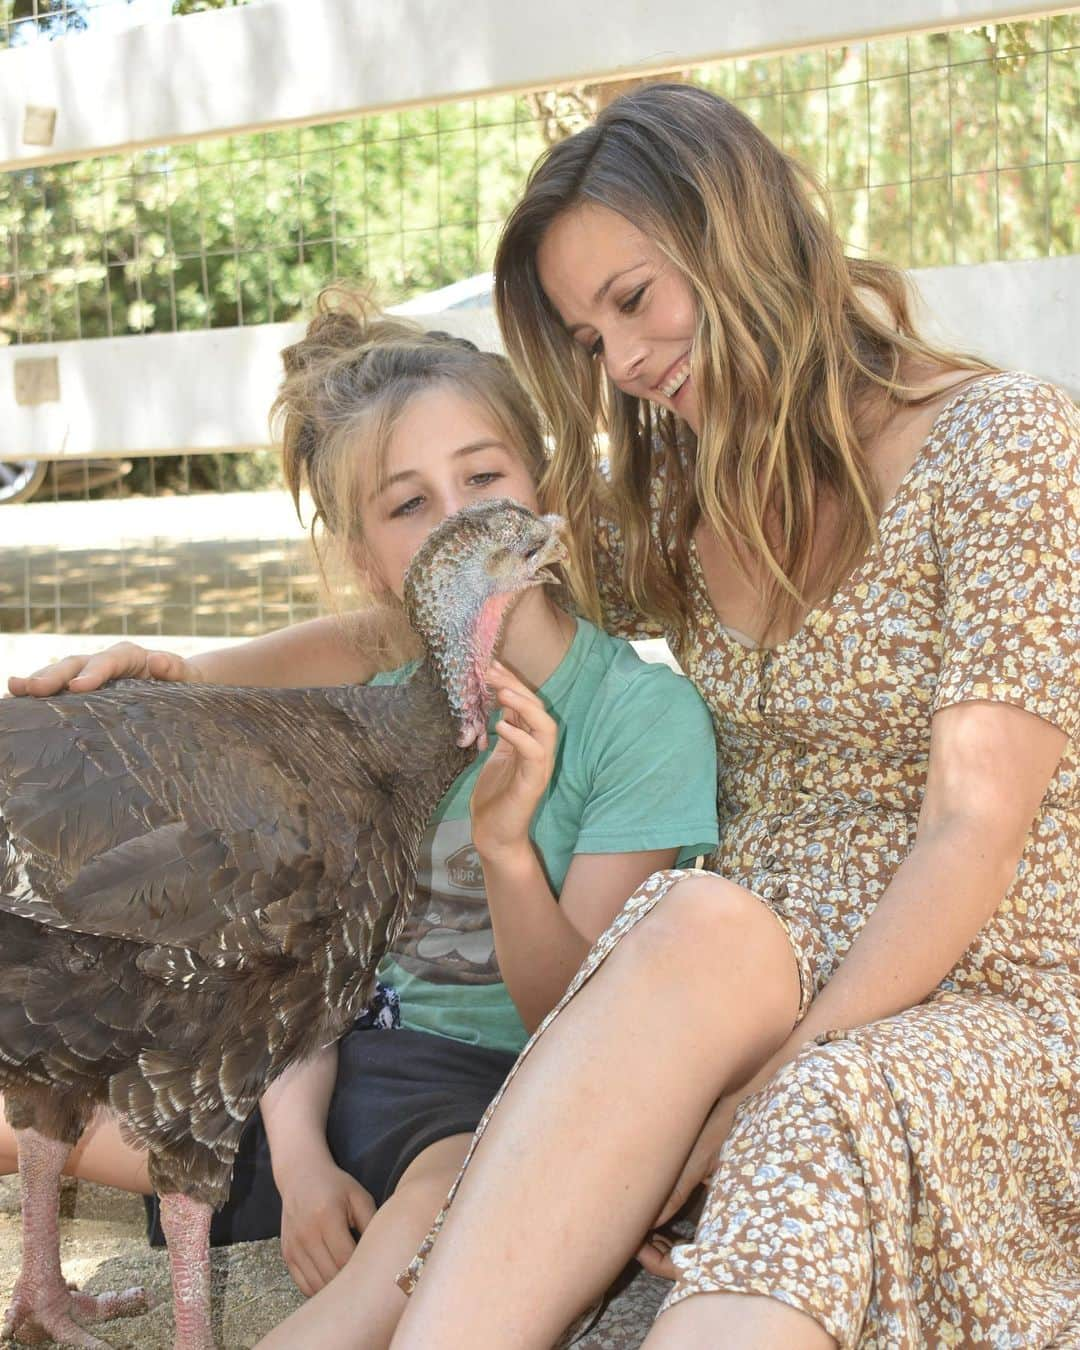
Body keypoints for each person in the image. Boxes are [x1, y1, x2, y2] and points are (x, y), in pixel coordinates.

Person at [372, 83, 1077, 1347]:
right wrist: (189, 668)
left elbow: (975, 831)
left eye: (635, 300)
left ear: (742, 235)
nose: (628, 363)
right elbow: (458, 599)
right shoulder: (677, 509)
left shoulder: (1007, 446)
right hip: (745, 956)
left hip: (992, 982)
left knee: (820, 1105)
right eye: (591, 342)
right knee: (691, 915)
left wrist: (774, 1075)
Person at [0, 289, 720, 1349]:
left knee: (456, 1189)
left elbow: (577, 1017)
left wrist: (508, 848)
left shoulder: (639, 718)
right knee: (68, 1078)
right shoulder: (379, 690)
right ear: (373, 562)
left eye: (483, 479)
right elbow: (285, 964)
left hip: (483, 1085)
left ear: (544, 493)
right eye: (408, 504)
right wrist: (300, 1159)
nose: (459, 519)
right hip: (305, 1077)